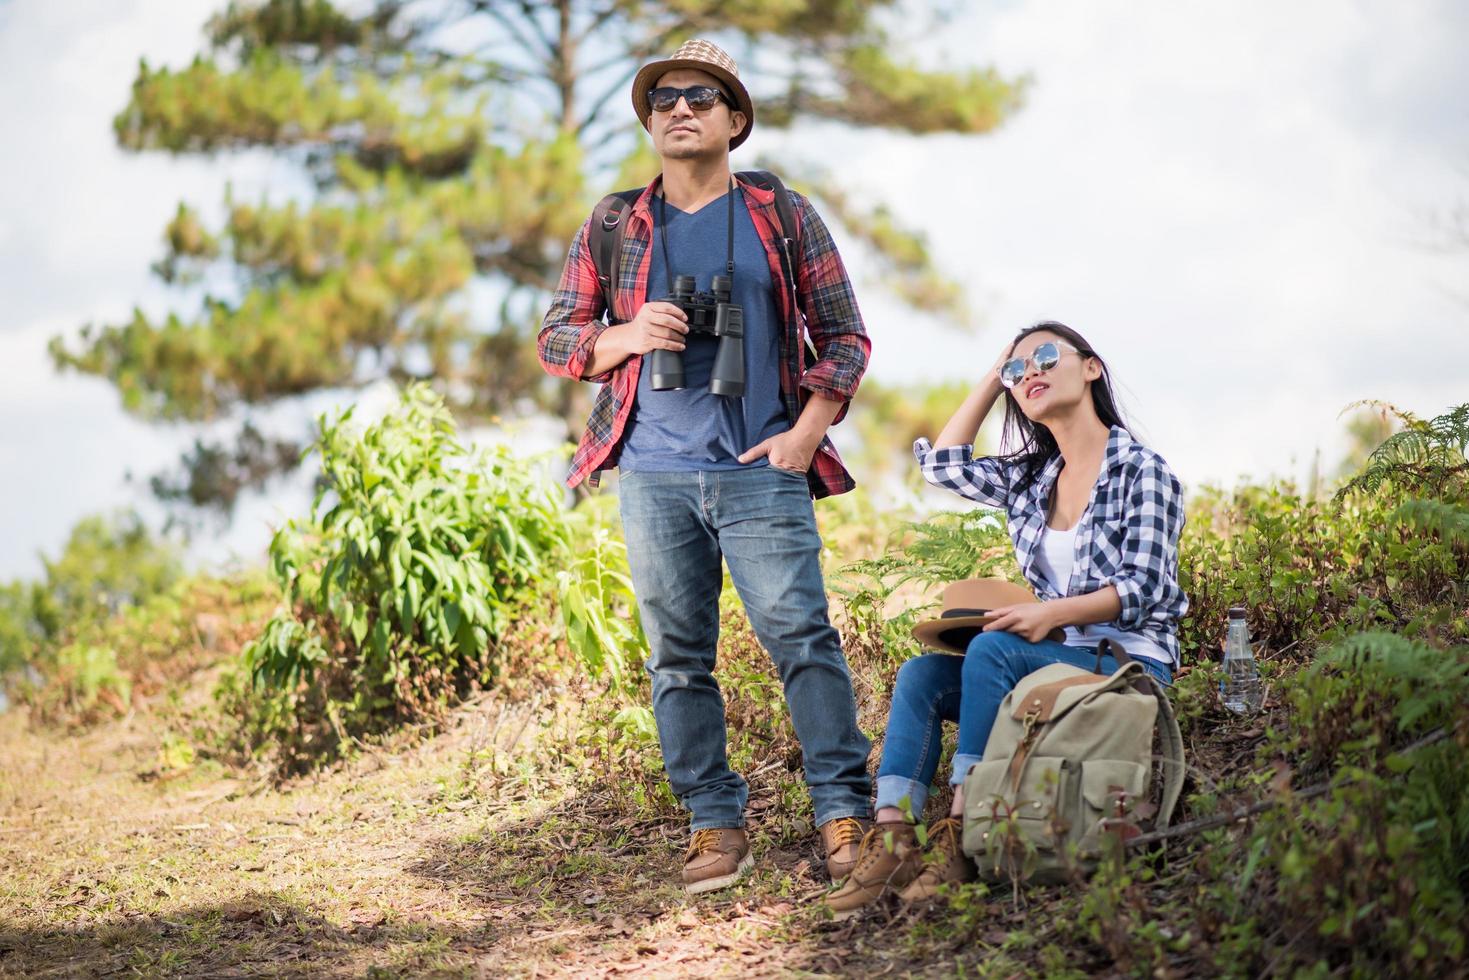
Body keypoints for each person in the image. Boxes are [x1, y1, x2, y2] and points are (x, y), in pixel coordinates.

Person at [537, 39, 874, 894]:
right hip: (650, 473)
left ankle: (842, 811)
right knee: (678, 659)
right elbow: (556, 338)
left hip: (762, 466)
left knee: (801, 640)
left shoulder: (778, 213)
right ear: (650, 123)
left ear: (734, 118)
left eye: (700, 95)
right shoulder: (615, 223)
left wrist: (803, 436)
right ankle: (713, 825)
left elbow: (844, 338)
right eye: (663, 99)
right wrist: (628, 334)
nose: (678, 108)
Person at [825, 321, 1187, 917]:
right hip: (1055, 663)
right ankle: (893, 840)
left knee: (992, 650)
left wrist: (1050, 614)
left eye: (1046, 357)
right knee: (923, 675)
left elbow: (1145, 588)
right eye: (1019, 369)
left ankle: (967, 831)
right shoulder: (1032, 476)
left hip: (1130, 663)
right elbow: (943, 464)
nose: (1031, 373)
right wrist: (996, 379)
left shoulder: (1140, 471)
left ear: (1091, 367)